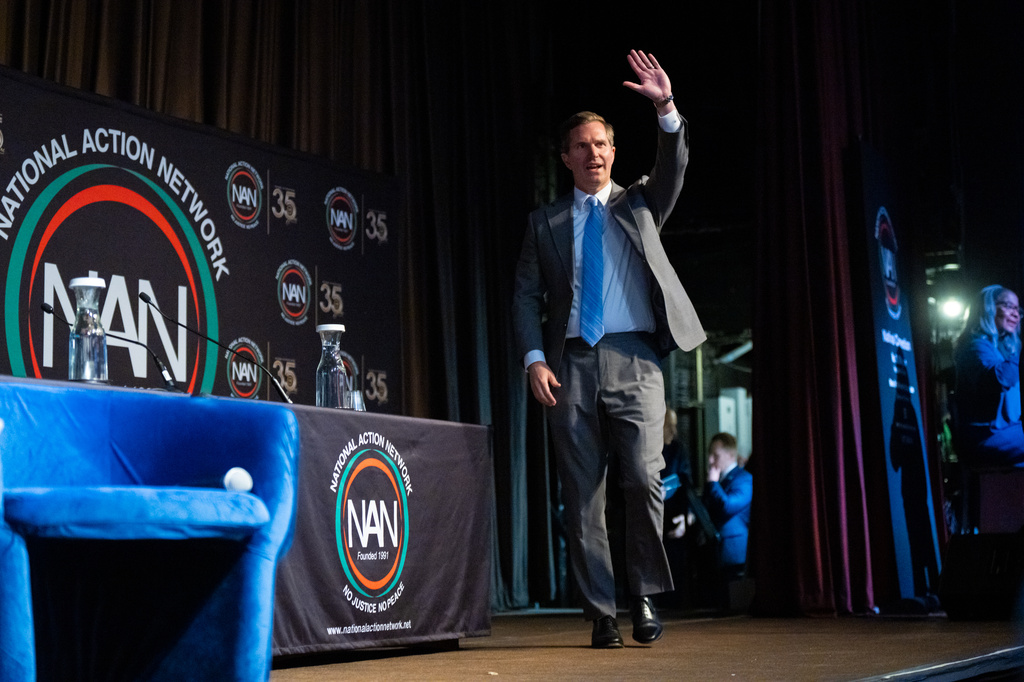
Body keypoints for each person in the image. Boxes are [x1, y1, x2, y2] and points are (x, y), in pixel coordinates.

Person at [512, 49, 705, 648]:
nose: (594, 153)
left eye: (603, 144)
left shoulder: (640, 202)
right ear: (566, 156)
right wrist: (534, 359)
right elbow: (524, 296)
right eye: (583, 145)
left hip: (636, 359)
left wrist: (666, 109)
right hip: (570, 361)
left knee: (644, 479)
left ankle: (642, 596)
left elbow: (672, 168)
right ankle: (601, 612)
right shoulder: (544, 222)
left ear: (613, 152)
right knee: (581, 495)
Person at [953, 285, 1024, 467]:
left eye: (1017, 309)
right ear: (988, 308)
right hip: (987, 437)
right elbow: (1000, 379)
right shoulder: (975, 346)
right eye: (1008, 306)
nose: (1015, 314)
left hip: (1009, 434)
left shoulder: (1003, 350)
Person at [703, 432, 752, 578]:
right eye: (710, 455)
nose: (711, 460)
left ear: (730, 455)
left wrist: (712, 483)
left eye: (716, 455)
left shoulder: (745, 479)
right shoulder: (717, 480)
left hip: (732, 554)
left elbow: (728, 506)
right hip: (714, 552)